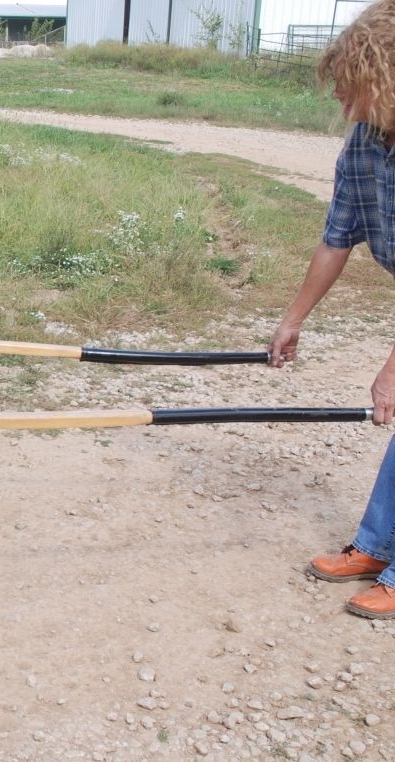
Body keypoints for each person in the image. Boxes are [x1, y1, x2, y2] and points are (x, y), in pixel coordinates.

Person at [268, 0, 395, 619]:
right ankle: (374, 549)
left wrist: (393, 367)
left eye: (352, 92)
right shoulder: (365, 143)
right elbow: (337, 235)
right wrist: (294, 319)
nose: (342, 105)